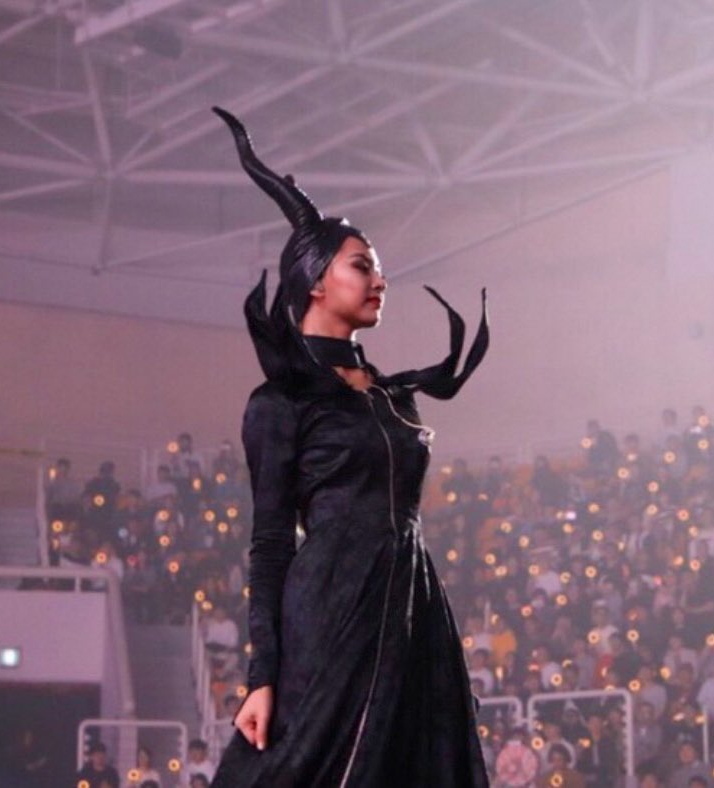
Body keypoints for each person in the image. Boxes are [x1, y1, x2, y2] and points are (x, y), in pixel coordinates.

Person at [208, 106, 490, 787]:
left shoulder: (394, 397)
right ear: (314, 280)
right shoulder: (280, 403)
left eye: (378, 270)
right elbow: (270, 542)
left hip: (413, 608)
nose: (379, 280)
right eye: (362, 266)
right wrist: (261, 675)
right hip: (329, 612)